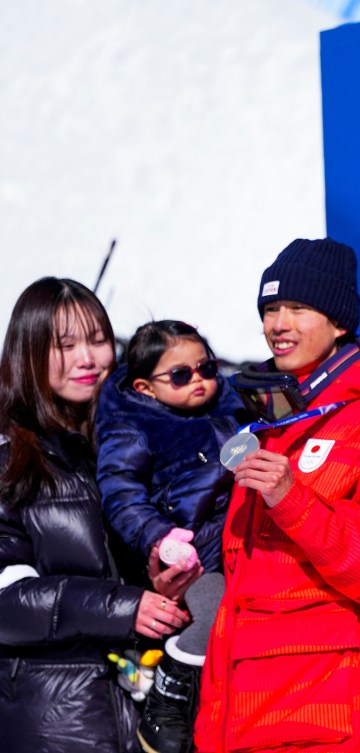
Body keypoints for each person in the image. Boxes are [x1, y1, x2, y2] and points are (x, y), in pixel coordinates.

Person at [194, 238, 360, 753]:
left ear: (339, 322)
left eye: (298, 308)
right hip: (240, 708)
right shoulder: (270, 418)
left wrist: (293, 497)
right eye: (270, 309)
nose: (278, 323)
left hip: (321, 712)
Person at [0, 277, 190, 753]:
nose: (87, 358)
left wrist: (157, 586)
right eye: (64, 345)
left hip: (139, 715)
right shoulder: (9, 458)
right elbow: (7, 597)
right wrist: (127, 608)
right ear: (28, 353)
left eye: (98, 340)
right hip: (54, 723)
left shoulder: (121, 450)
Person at [95, 320, 244, 753]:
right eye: (181, 375)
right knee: (213, 609)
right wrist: (160, 538)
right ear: (144, 388)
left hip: (235, 548)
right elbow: (121, 495)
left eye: (206, 368)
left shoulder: (230, 409)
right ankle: (169, 692)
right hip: (190, 558)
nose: (199, 380)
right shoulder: (135, 427)